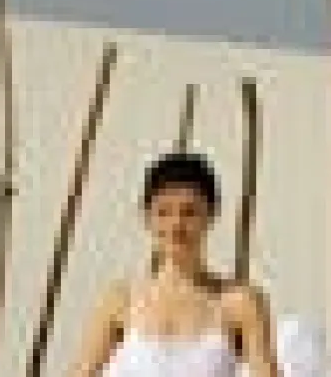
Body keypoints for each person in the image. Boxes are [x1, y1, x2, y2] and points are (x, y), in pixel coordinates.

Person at [67, 151, 281, 377]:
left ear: (211, 215)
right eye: (163, 213)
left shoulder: (240, 303)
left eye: (189, 212)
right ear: (147, 217)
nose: (176, 225)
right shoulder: (121, 300)